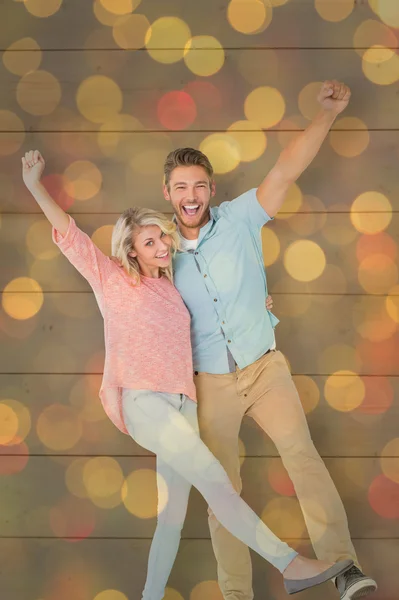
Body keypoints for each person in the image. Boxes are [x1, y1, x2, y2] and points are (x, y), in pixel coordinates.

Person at [21, 150, 353, 599]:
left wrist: (257, 307)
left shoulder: (172, 283)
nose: (161, 247)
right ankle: (289, 564)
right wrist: (35, 185)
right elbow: (69, 233)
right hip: (144, 402)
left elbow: (220, 306)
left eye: (162, 239)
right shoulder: (111, 280)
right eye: (149, 243)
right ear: (130, 250)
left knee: (171, 521)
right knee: (217, 483)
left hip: (184, 403)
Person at [159, 81, 377, 600]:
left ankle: (344, 569)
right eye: (180, 188)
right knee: (223, 494)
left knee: (303, 459)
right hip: (209, 384)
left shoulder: (240, 219)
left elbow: (287, 169)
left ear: (211, 189)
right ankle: (237, 594)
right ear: (167, 193)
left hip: (264, 368)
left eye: (199, 186)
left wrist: (325, 115)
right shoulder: (159, 249)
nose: (191, 196)